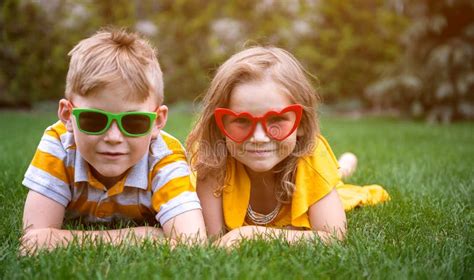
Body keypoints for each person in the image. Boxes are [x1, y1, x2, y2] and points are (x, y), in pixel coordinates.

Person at [21, 29, 206, 253]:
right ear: (68, 116)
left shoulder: (164, 158)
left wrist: (60, 239)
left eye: (134, 122)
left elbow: (193, 242)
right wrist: (140, 236)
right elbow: (33, 241)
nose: (113, 138)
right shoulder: (59, 144)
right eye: (94, 119)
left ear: (157, 122)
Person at [186, 46, 389, 247]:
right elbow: (213, 240)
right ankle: (343, 166)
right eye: (241, 121)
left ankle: (344, 165)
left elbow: (333, 237)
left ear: (301, 123)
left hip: (313, 176)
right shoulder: (212, 159)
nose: (259, 137)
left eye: (276, 119)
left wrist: (251, 234)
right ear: (219, 125)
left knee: (338, 185)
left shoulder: (311, 159)